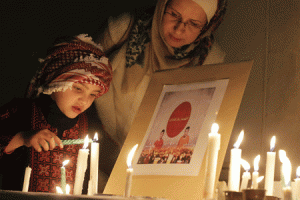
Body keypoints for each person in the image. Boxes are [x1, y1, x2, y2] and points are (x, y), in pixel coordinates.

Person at [92, 0, 227, 147]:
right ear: (162, 7)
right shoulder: (125, 28)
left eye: (194, 24)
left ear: (206, 27)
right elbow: (81, 73)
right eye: (174, 15)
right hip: (102, 145)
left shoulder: (209, 60)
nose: (179, 29)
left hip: (157, 154)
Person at [0, 34, 113, 193]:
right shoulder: (19, 111)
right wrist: (23, 138)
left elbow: (108, 166)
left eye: (93, 94)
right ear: (55, 80)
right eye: (78, 88)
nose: (84, 100)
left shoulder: (90, 125)